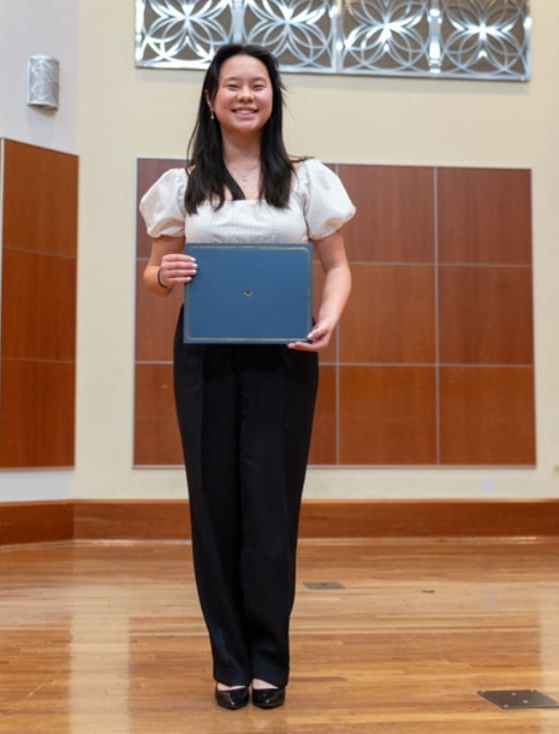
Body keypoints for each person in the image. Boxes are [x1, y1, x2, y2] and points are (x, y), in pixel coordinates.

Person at [138, 43, 355, 711]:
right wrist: (162, 276)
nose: (245, 95)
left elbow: (340, 267)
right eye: (232, 85)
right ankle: (228, 661)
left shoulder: (308, 178)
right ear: (211, 98)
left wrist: (329, 317)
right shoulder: (182, 184)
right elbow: (155, 275)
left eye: (258, 85)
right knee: (214, 507)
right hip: (205, 355)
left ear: (272, 98)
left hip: (285, 354)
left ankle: (270, 661)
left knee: (271, 508)